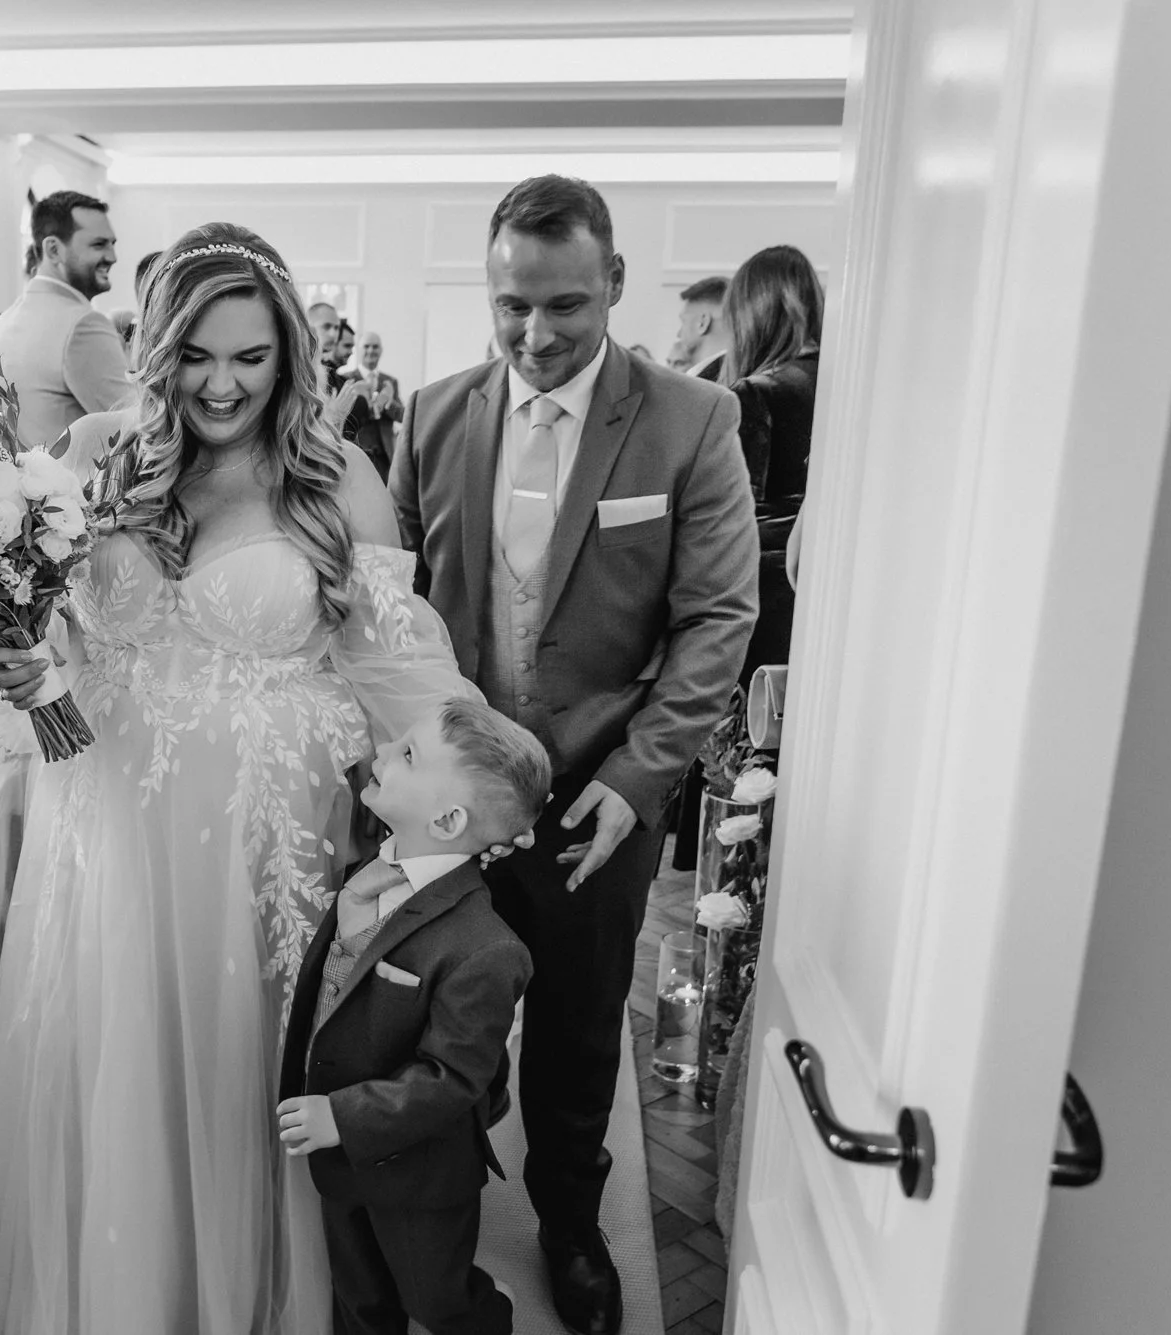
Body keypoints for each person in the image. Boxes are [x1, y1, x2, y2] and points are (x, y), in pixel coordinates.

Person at [0, 222, 479, 1335]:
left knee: (246, 1068)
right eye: (196, 354)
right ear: (158, 349)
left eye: (250, 357)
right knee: (116, 1054)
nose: (223, 383)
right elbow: (57, 637)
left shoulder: (336, 478)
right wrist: (26, 661)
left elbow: (396, 669)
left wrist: (466, 805)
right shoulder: (92, 456)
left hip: (263, 832)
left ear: (287, 355)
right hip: (102, 812)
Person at [390, 175, 757, 1335]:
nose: (535, 337)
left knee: (573, 1028)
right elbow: (394, 606)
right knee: (429, 1017)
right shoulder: (432, 414)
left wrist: (638, 777)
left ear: (611, 286)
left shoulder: (689, 419)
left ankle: (566, 1221)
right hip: (446, 790)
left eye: (564, 308)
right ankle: (427, 1218)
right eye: (511, 308)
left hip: (597, 795)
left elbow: (716, 620)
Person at [277, 698, 547, 1335]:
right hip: (340, 1159)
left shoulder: (486, 948)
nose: (385, 750)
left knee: (435, 1300)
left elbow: (453, 1080)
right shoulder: (368, 873)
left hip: (420, 1174)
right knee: (359, 1296)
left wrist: (340, 1116)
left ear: (448, 820)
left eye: (408, 755)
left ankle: (489, 1315)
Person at [721, 243, 820, 682]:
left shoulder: (757, 391)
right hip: (819, 594)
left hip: (762, 597)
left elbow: (734, 519)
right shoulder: (845, 380)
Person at [0, 190, 131, 451]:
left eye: (112, 243)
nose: (112, 256)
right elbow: (137, 425)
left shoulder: (4, 322)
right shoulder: (84, 324)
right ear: (53, 249)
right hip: (79, 488)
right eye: (98, 244)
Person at [336, 331, 403, 482]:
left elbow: (402, 416)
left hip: (385, 457)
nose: (371, 350)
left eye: (375, 347)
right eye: (367, 346)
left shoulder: (390, 382)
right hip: (356, 453)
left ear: (381, 350)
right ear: (360, 349)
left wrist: (387, 402)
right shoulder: (346, 378)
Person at [668, 276, 730, 380]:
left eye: (684, 321)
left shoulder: (705, 383)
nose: (678, 334)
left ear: (702, 323)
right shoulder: (738, 375)